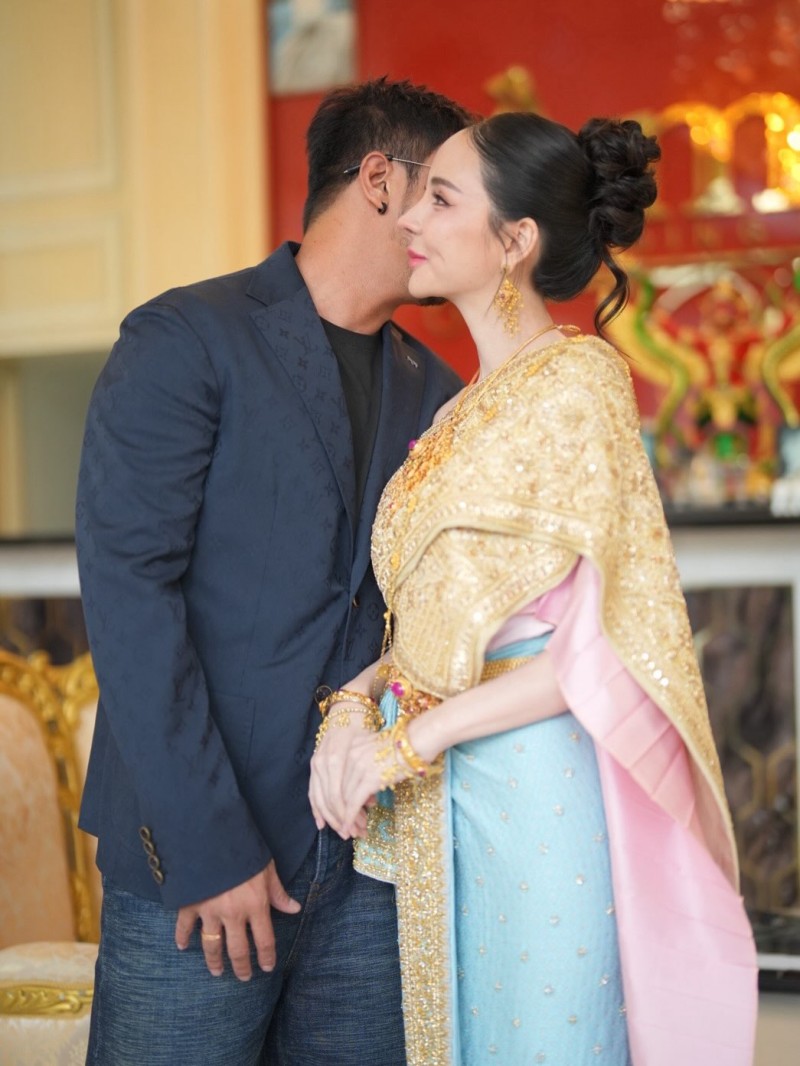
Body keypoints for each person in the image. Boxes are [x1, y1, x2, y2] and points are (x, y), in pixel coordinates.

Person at [309, 111, 759, 1065]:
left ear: (515, 242)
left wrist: (411, 742)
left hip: (533, 789)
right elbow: (433, 620)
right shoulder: (459, 409)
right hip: (443, 789)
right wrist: (349, 708)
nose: (410, 220)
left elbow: (600, 648)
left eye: (442, 199)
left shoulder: (578, 382)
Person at [75, 77, 470, 1066]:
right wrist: (207, 848)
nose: (456, 220)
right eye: (443, 191)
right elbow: (131, 600)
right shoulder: (184, 338)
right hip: (200, 866)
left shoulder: (441, 389)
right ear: (378, 180)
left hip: (370, 868)